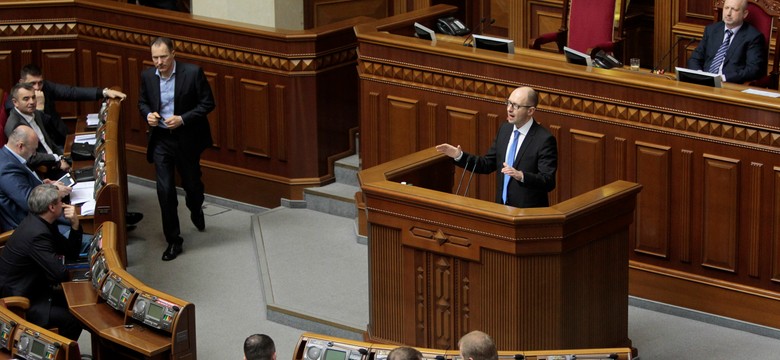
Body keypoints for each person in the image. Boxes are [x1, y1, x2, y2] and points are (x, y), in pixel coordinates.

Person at [138, 36, 215, 261]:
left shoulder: (192, 73)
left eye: (163, 57)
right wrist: (148, 115)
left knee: (192, 185)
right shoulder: (147, 76)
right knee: (165, 191)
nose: (159, 62)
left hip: (186, 138)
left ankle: (195, 207)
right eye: (155, 58)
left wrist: (182, 119)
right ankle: (174, 240)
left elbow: (208, 103)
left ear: (173, 54)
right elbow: (141, 102)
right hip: (161, 139)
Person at [436, 86, 557, 208]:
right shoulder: (505, 130)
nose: (509, 109)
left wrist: (521, 176)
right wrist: (458, 155)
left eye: (515, 106)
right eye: (508, 103)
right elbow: (487, 164)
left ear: (530, 111)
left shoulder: (544, 140)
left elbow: (548, 181)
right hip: (501, 210)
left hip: (527, 215)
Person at [0, 184, 85, 340]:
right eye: (61, 201)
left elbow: (70, 252)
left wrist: (75, 225)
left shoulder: (42, 223)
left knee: (80, 304)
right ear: (52, 207)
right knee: (73, 320)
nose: (64, 204)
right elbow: (60, 274)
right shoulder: (37, 234)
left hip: (36, 288)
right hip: (22, 301)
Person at [4, 63, 127, 147]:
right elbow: (36, 135)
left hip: (63, 137)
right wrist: (39, 108)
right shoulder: (13, 105)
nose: (37, 88)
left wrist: (103, 92)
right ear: (21, 82)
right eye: (32, 84)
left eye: (40, 83)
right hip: (48, 146)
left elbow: (71, 92)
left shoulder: (45, 87)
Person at [0, 126, 70, 232]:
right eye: (33, 149)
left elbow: (24, 186)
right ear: (20, 146)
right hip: (32, 228)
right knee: (84, 234)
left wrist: (43, 184)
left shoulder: (10, 156)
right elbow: (29, 202)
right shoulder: (6, 168)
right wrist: (54, 189)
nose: (34, 154)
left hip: (43, 215)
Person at [686, 0, 766, 84]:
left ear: (745, 14)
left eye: (734, 9)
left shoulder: (753, 37)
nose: (728, 13)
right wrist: (699, 74)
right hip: (703, 82)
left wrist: (723, 78)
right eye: (726, 8)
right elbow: (695, 58)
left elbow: (753, 69)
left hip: (729, 85)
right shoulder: (711, 30)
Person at [5, 82, 70, 180]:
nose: (32, 102)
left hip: (56, 161)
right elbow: (29, 157)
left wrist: (61, 157)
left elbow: (48, 141)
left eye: (33, 97)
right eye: (26, 99)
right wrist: (56, 160)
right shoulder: (15, 125)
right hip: (44, 172)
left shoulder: (35, 113)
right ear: (15, 102)